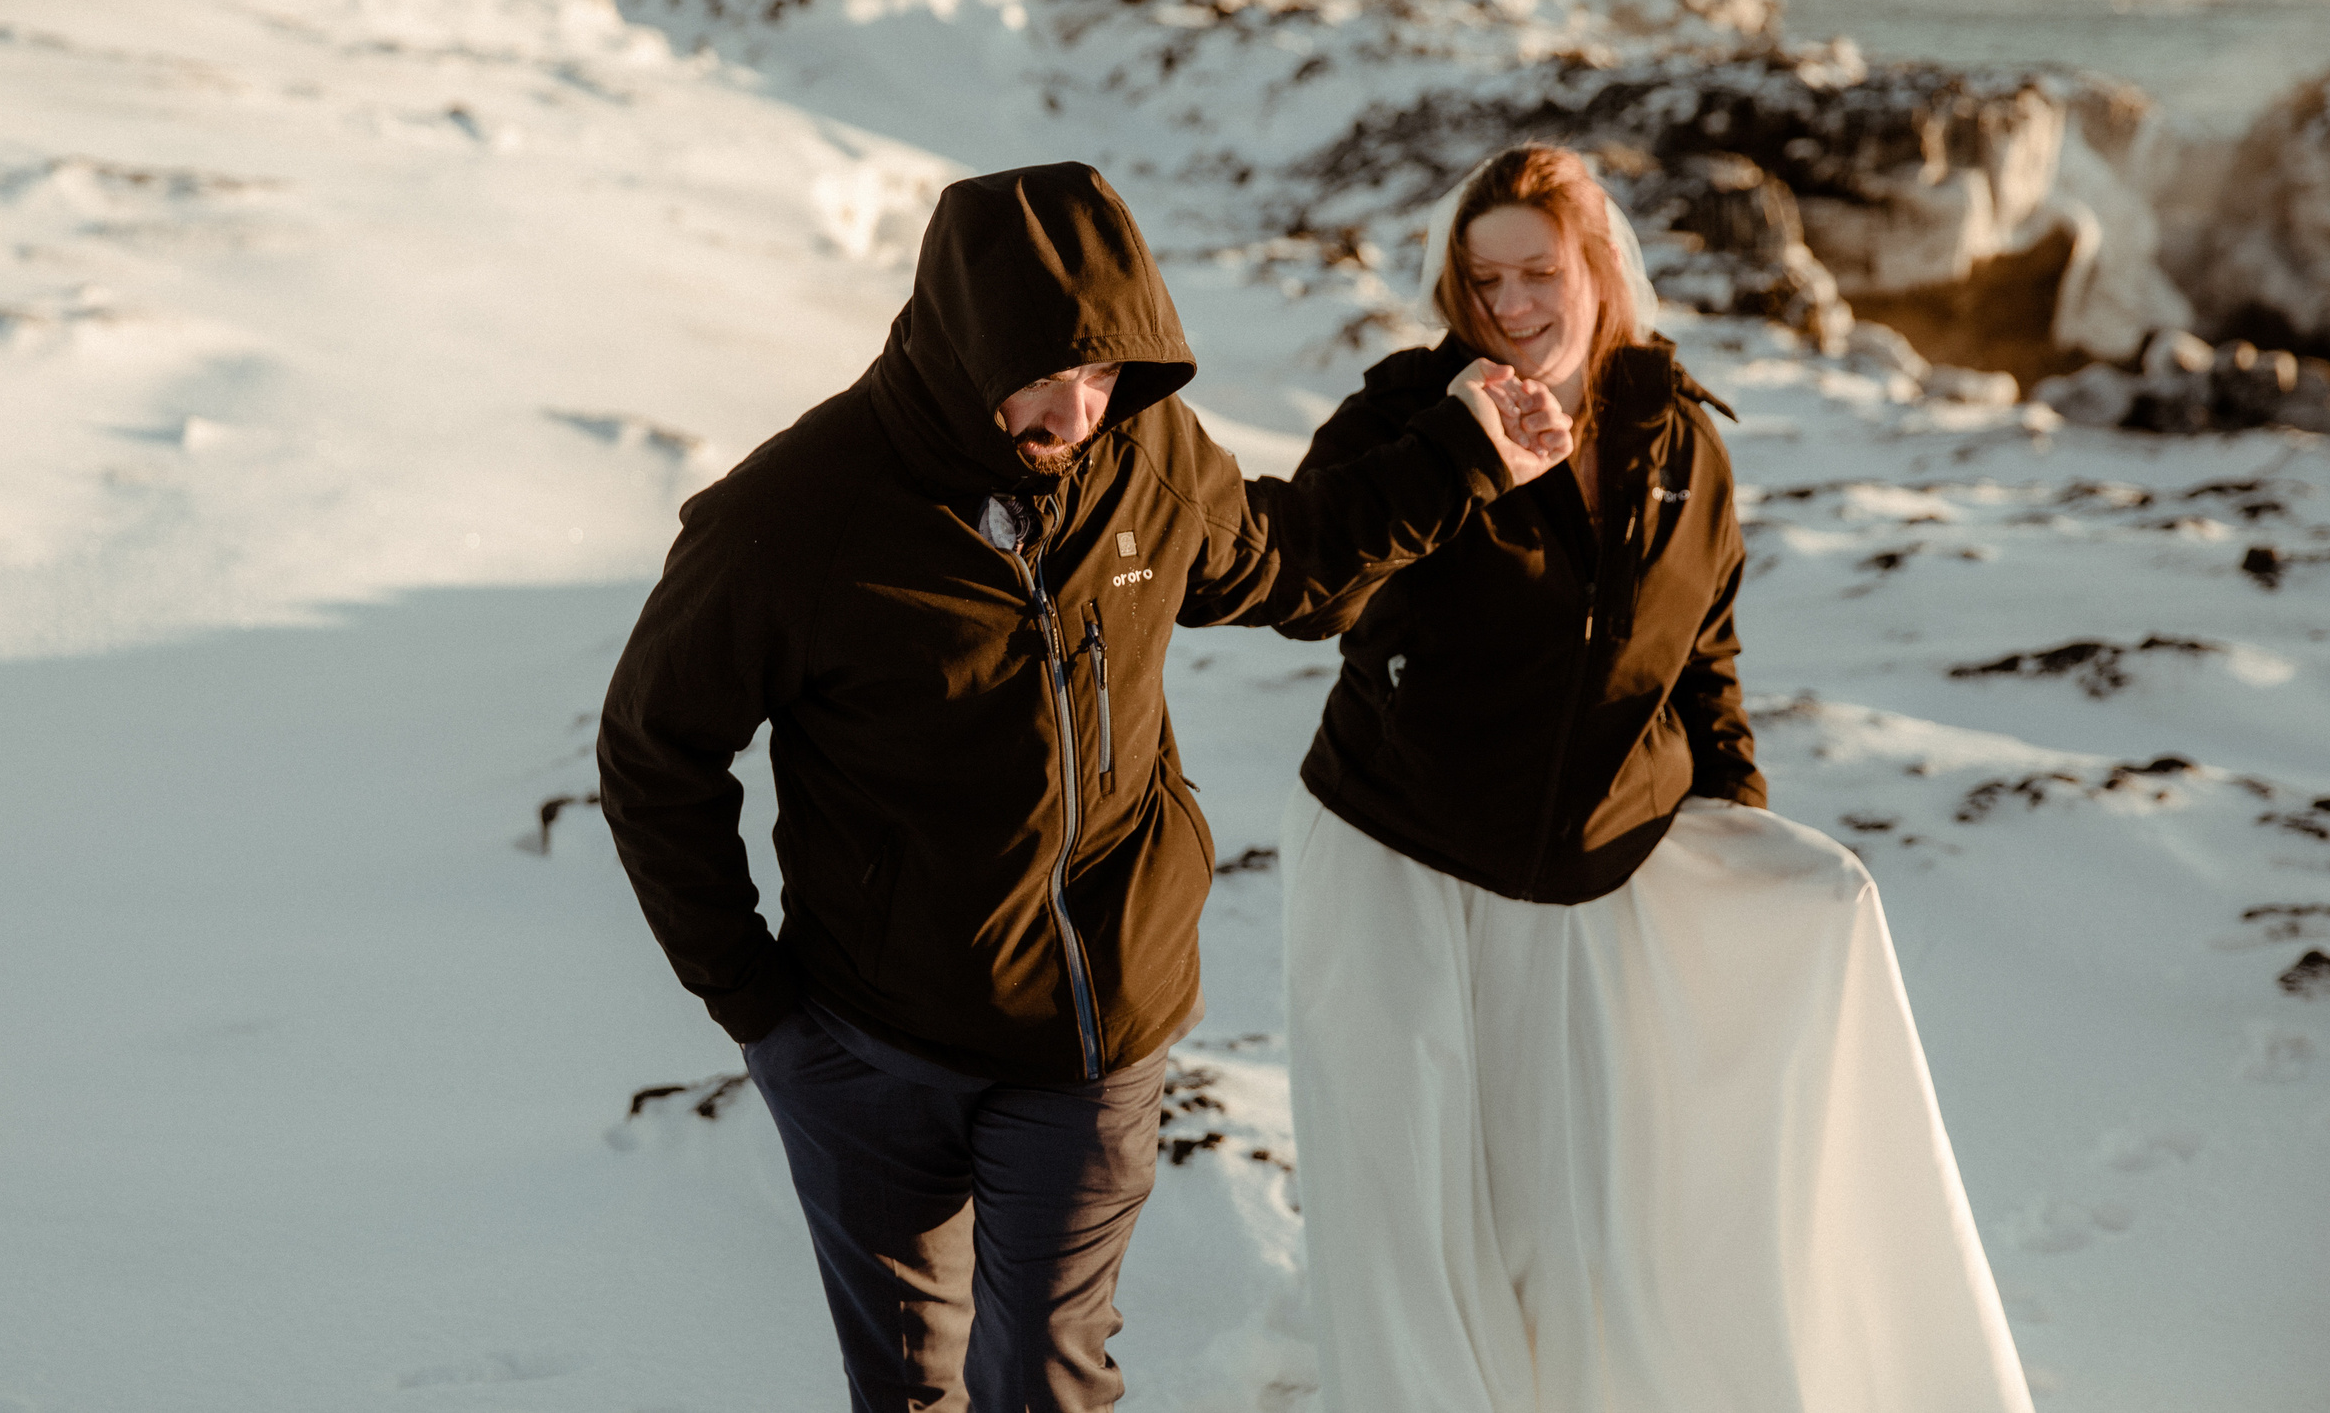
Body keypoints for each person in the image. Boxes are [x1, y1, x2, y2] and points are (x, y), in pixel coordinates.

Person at [597, 162, 1574, 1413]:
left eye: (1109, 372)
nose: (1079, 408)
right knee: (907, 1389)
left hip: (1097, 1031)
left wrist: (1462, 457)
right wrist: (756, 1004)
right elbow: (651, 753)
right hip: (868, 1045)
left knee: (1048, 1385)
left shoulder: (1139, 451)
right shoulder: (792, 518)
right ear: (960, 344)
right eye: (1048, 373)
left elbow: (1278, 564)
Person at [1276, 145, 2035, 1413]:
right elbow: (1306, 590)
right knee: (1412, 1224)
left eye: (1535, 273)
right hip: (1394, 851)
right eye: (1481, 281)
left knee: (1581, 1222)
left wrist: (1733, 836)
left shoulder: (1677, 440)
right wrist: (1459, 456)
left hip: (1587, 879)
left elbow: (1704, 660)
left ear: (1601, 270)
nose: (1509, 306)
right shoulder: (1405, 416)